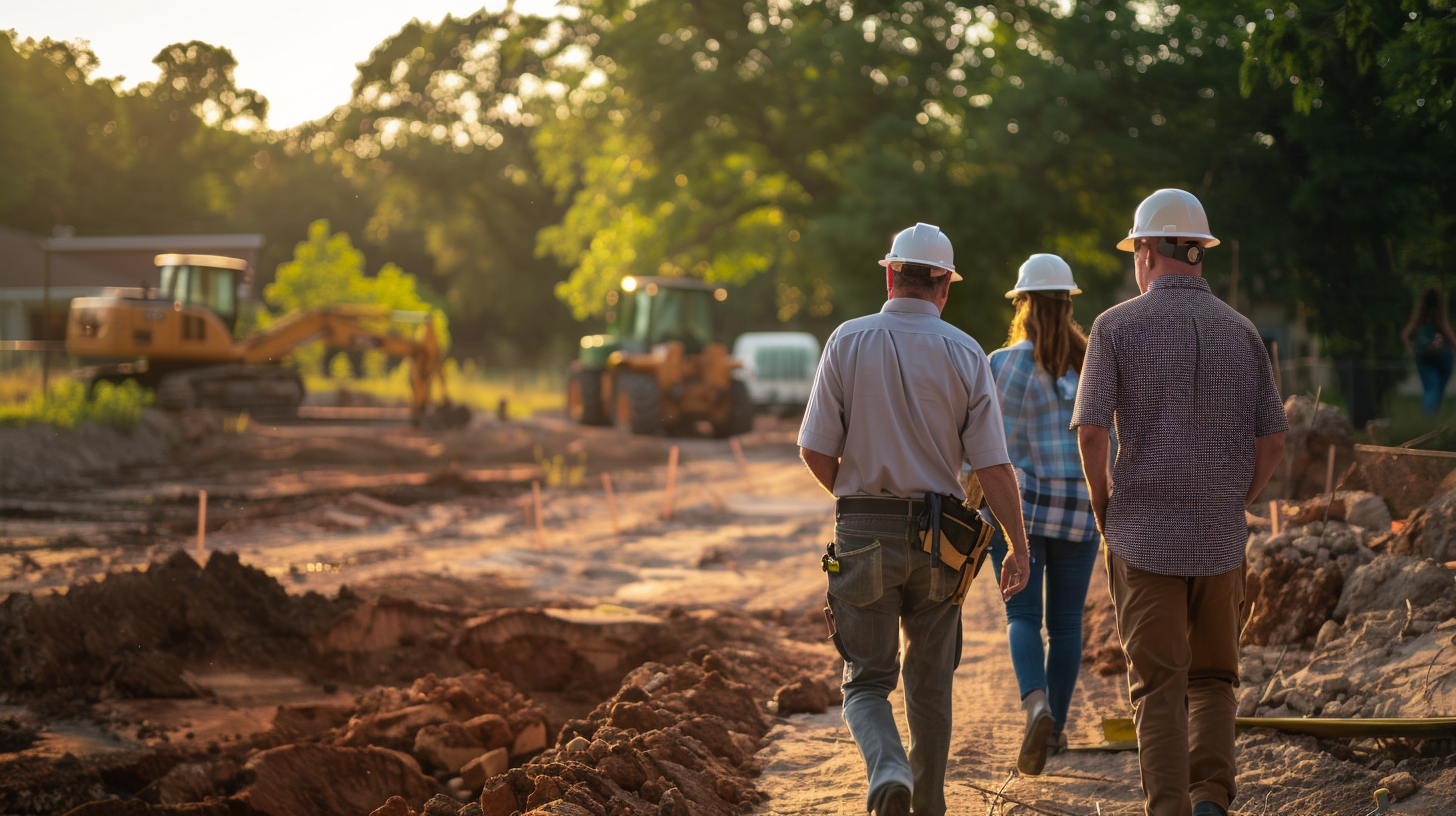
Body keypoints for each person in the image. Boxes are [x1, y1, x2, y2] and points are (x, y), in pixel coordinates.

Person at [798, 222, 1032, 816]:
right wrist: (1018, 547)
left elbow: (815, 450)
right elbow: (994, 466)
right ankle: (927, 806)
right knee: (931, 688)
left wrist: (858, 501)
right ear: (944, 287)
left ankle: (888, 771)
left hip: (862, 531)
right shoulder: (966, 352)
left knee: (866, 681)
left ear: (889, 274)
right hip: (942, 544)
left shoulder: (846, 342)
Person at [1071, 189, 1287, 816]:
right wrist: (1232, 499)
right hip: (1220, 540)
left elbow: (1091, 431)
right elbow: (1272, 440)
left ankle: (1167, 808)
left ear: (1144, 251)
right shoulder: (1241, 331)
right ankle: (1212, 798)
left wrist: (1104, 507)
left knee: (1158, 687)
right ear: (1199, 252)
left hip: (1141, 535)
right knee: (1216, 679)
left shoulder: (1115, 327)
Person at [981, 253, 1100, 777]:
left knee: (1022, 616)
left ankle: (1037, 707)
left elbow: (985, 444)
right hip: (1079, 506)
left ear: (1023, 304)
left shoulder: (1002, 363)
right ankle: (1058, 728)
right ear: (1068, 303)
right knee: (1067, 623)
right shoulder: (1090, 359)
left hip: (1020, 510)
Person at [1401, 285, 1456, 415]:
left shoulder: (1420, 319)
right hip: (1443, 359)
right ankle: (1432, 418)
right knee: (1438, 391)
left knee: (1431, 389)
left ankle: (1430, 418)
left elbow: (1405, 335)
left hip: (1424, 359)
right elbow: (1453, 340)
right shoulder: (1440, 319)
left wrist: (1409, 350)